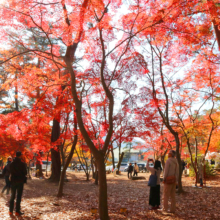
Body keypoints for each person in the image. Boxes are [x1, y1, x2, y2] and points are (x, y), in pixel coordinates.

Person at [9, 151, 27, 216]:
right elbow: (25, 172)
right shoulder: (22, 164)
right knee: (18, 196)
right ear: (20, 156)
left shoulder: (11, 164)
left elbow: (10, 171)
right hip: (20, 181)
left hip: (13, 181)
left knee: (12, 196)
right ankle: (17, 211)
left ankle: (10, 211)